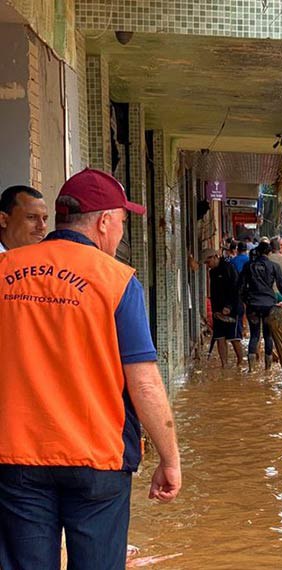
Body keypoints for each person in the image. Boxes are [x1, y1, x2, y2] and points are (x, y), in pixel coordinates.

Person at [0, 168, 180, 570]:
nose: (120, 234)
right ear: (103, 222)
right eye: (120, 222)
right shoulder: (115, 280)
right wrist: (170, 458)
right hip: (97, 460)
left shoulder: (5, 270)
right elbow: (145, 383)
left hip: (16, 458)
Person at [239, 241, 282, 372]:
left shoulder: (248, 265)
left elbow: (240, 287)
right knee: (268, 336)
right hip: (269, 305)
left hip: (253, 305)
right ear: (269, 253)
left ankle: (251, 370)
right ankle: (267, 370)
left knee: (254, 335)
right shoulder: (274, 266)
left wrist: (246, 300)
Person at [203, 248, 244, 368]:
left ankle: (240, 363)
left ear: (215, 257)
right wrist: (215, 310)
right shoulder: (212, 272)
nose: (208, 265)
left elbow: (235, 289)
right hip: (218, 310)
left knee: (234, 337)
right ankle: (224, 365)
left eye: (208, 262)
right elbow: (214, 292)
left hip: (233, 308)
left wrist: (229, 307)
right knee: (220, 337)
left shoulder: (228, 268)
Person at [0, 185, 49, 253]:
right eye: (31, 217)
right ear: (3, 220)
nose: (42, 226)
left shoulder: (46, 258)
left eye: (44, 219)